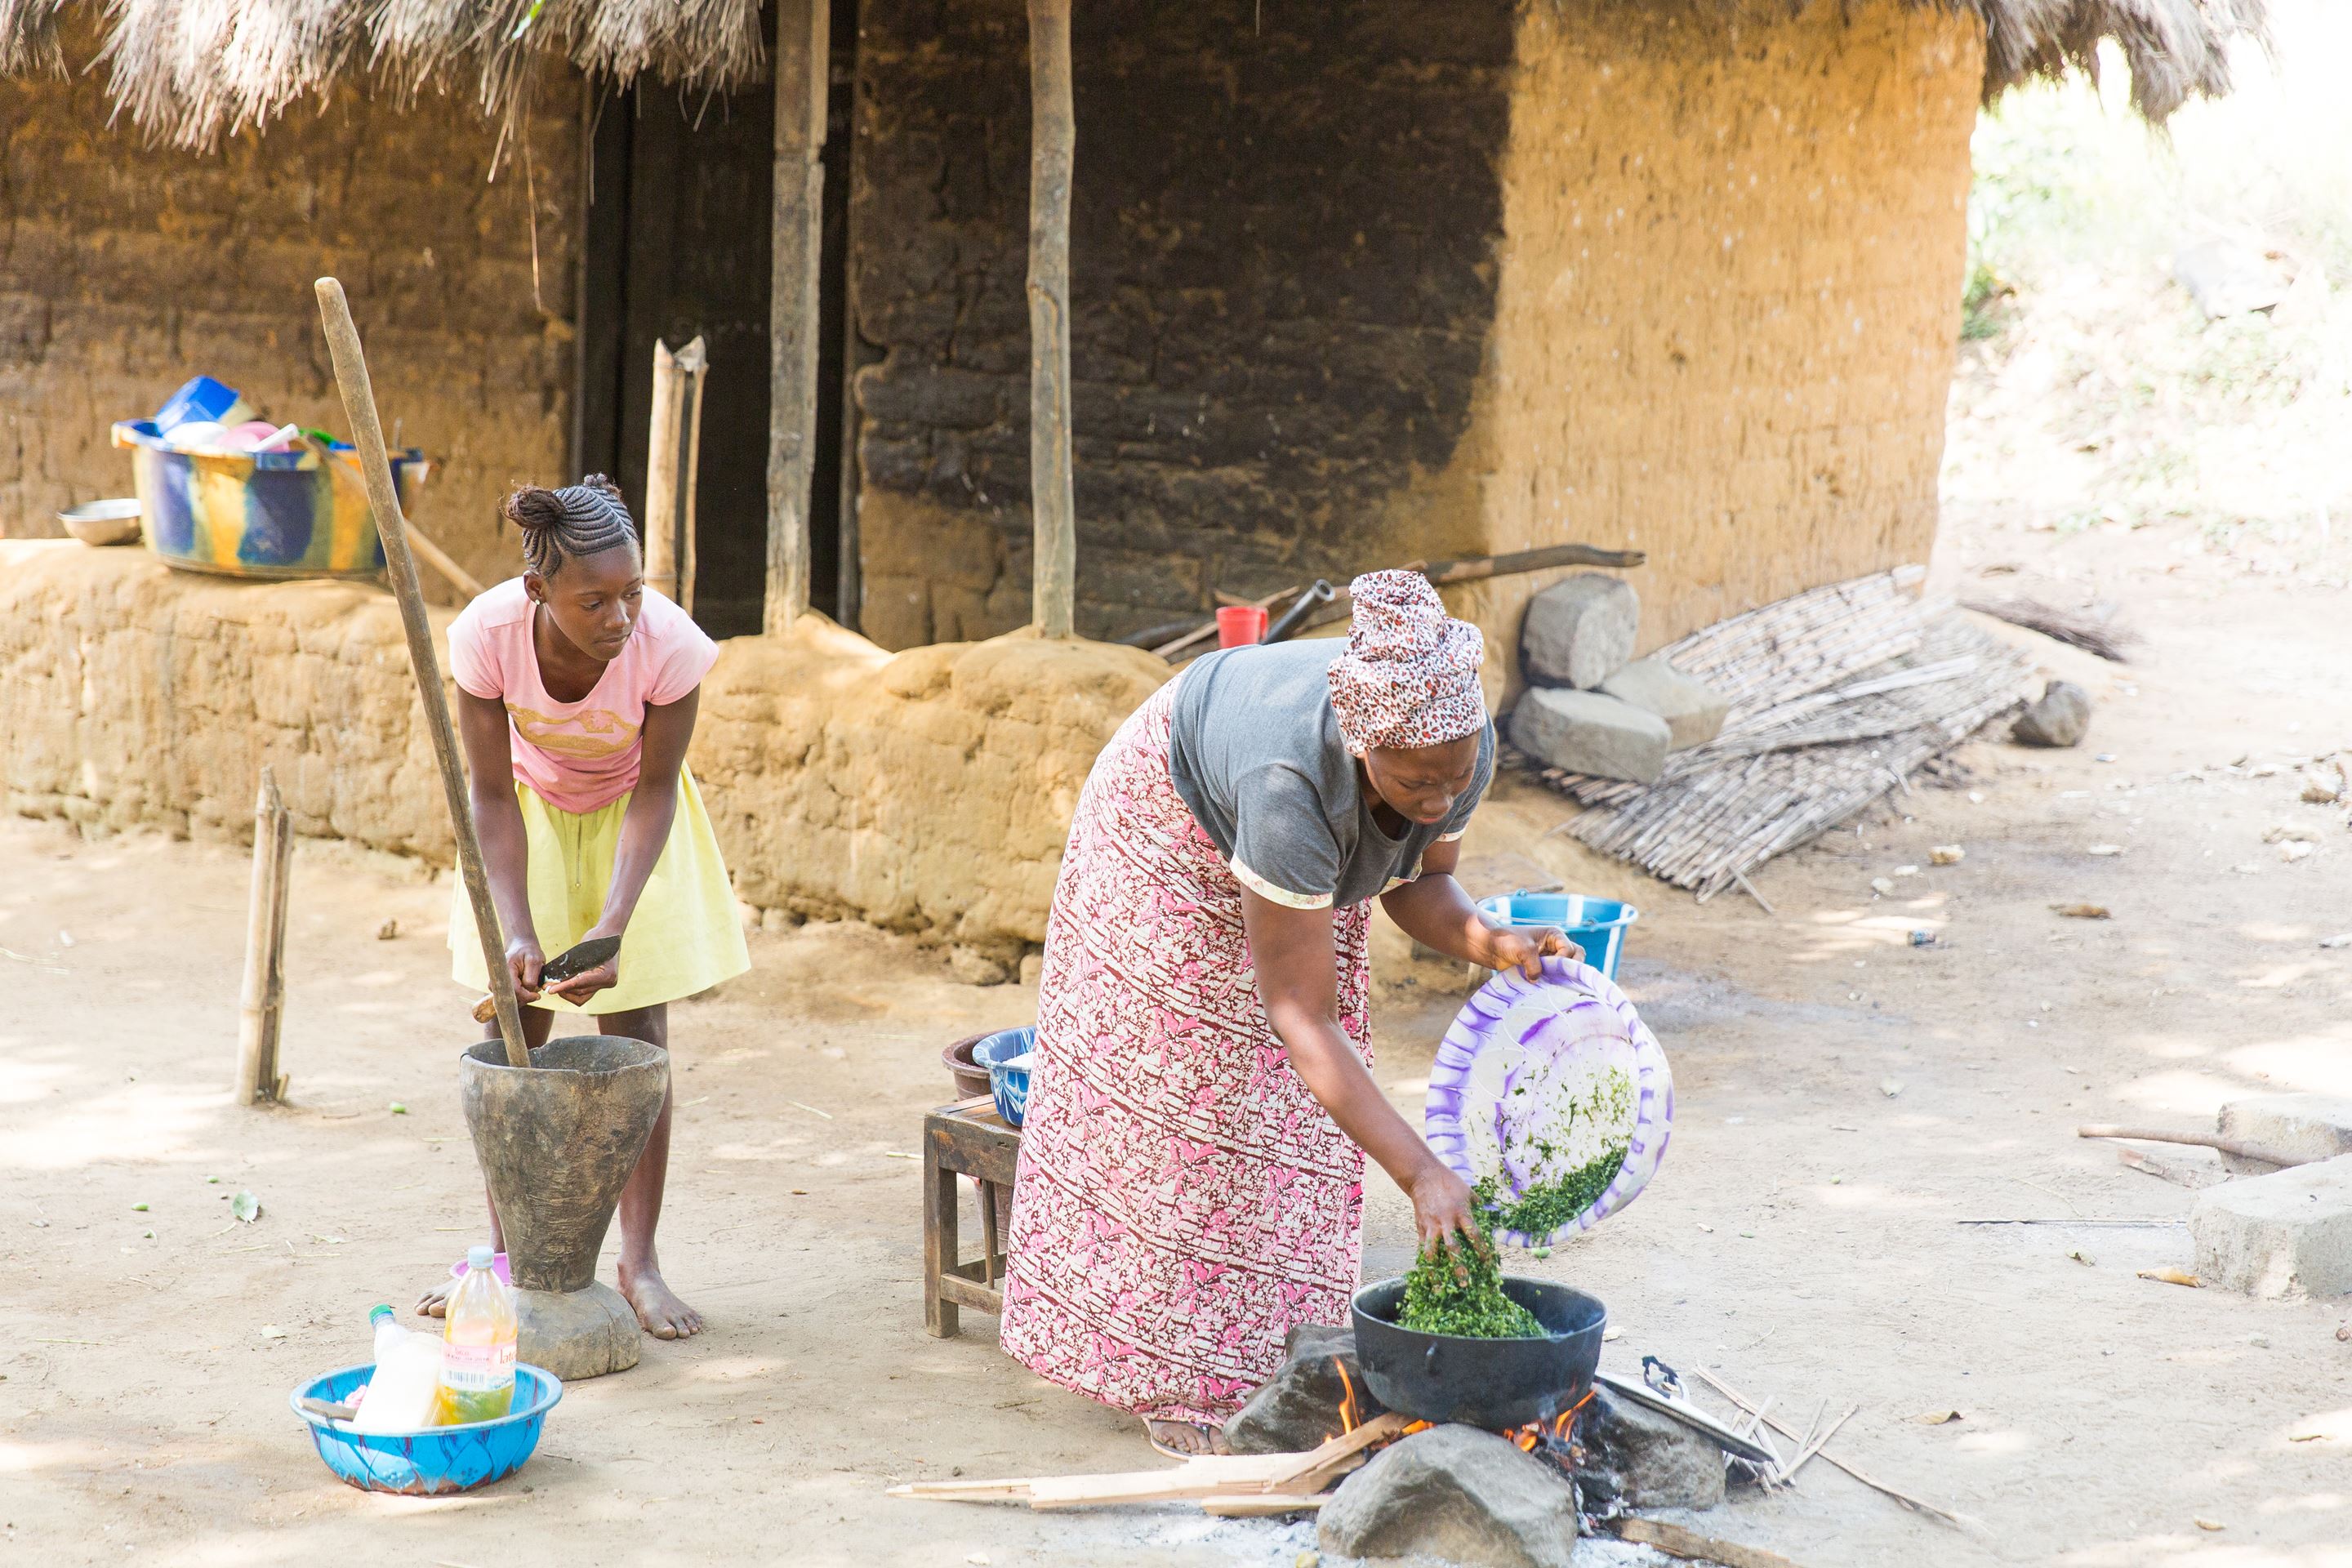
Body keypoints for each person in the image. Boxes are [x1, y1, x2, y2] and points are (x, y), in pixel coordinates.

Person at [1000, 570, 1578, 1455]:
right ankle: (1169, 1372)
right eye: (1417, 779)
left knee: (1282, 1114)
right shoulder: (1286, 786)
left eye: (1453, 778)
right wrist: (1422, 1172)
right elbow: (1301, 1015)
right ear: (1360, 742)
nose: (1437, 798)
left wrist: (1490, 941)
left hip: (1287, 834)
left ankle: (1269, 1351)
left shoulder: (1456, 750)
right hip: (1168, 821)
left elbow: (1418, 879)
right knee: (1187, 1098)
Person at [422, 476, 749, 1340]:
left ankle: (638, 1264)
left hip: (634, 831)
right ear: (537, 592)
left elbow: (656, 789)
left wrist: (612, 925)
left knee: (638, 1042)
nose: (620, 618)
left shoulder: (671, 648)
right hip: (525, 821)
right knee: (516, 1035)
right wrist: (519, 928)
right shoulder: (485, 639)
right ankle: (504, 1262)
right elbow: (489, 795)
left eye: (633, 593)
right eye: (595, 600)